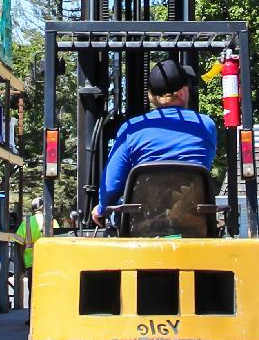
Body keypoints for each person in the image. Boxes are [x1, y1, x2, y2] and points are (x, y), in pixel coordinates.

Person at [92, 59, 219, 225]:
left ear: (151, 96)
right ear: (181, 92)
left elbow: (111, 186)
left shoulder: (132, 128)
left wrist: (101, 209)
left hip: (141, 227)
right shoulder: (205, 125)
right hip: (193, 225)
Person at [13, 196, 46, 306]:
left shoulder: (26, 222)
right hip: (48, 261)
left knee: (33, 290)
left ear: (33, 209)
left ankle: (31, 318)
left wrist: (21, 264)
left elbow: (18, 243)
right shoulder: (51, 220)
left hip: (31, 262)